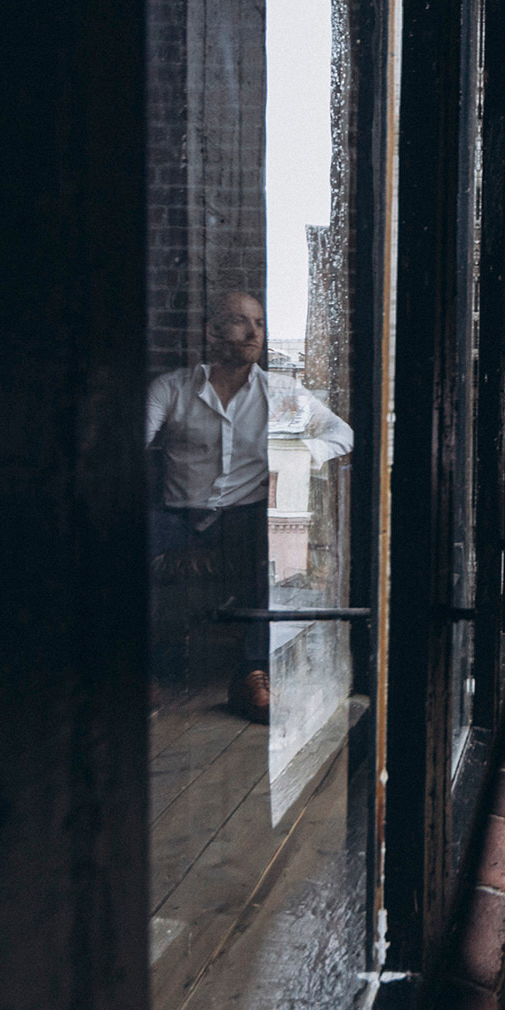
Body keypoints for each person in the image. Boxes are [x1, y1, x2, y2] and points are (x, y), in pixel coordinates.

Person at [147, 290, 352, 720]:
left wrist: (297, 454)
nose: (253, 331)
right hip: (177, 516)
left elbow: (341, 434)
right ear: (212, 331)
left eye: (258, 322)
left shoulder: (280, 391)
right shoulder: (172, 388)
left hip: (243, 515)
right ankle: (143, 670)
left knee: (264, 543)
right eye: (241, 321)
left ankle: (250, 674)